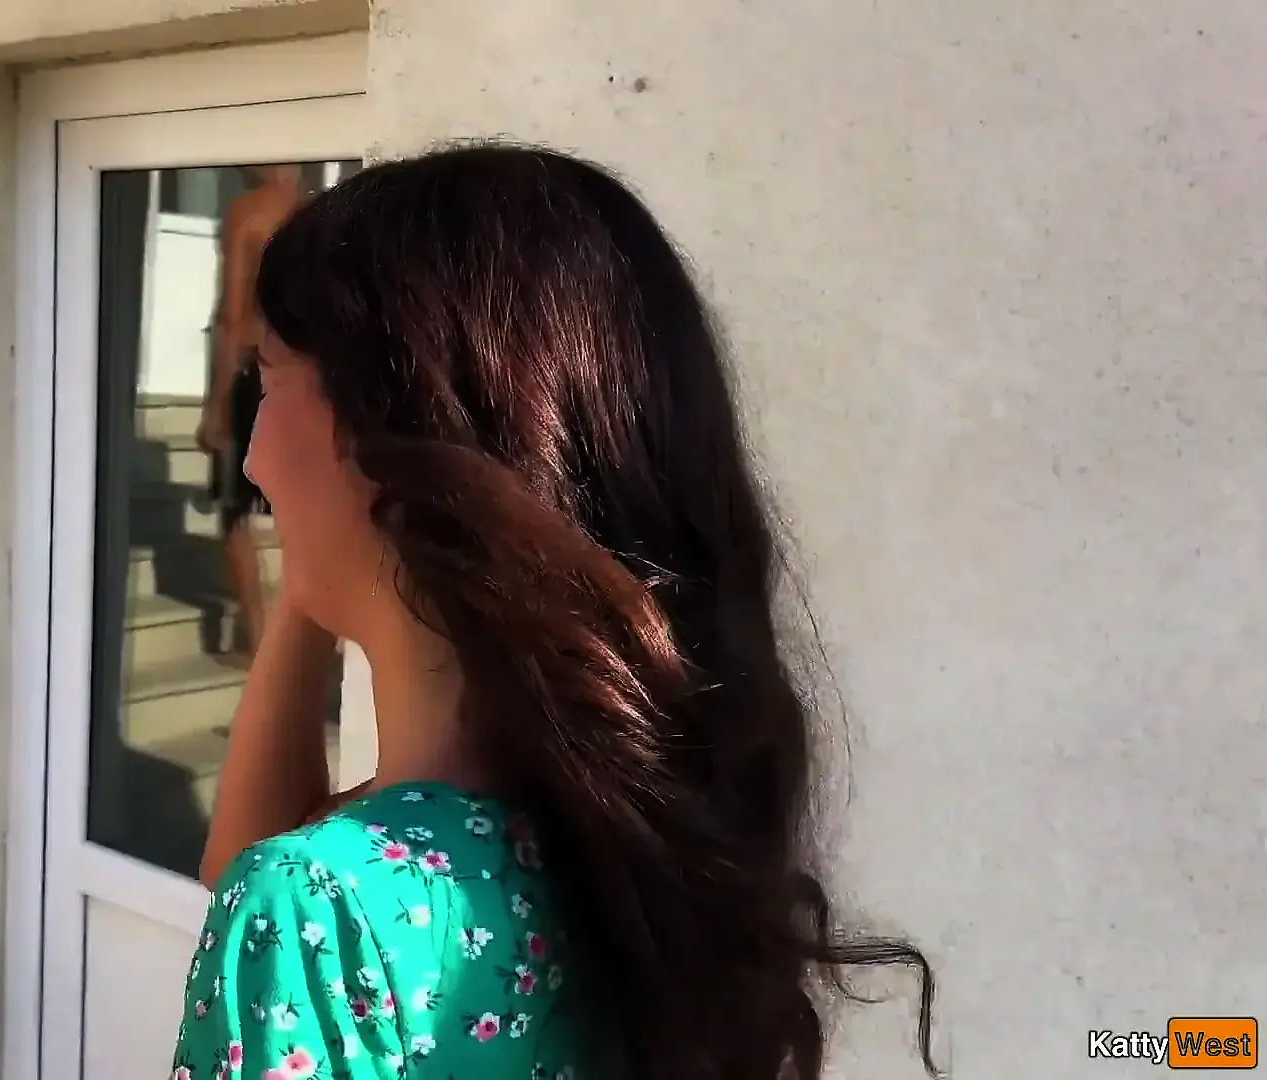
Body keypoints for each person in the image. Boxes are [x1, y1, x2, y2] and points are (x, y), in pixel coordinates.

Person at [169, 145, 940, 1080]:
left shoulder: (318, 913)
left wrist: (338, 530)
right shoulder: (619, 829)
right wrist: (338, 541)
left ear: (375, 433)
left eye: (267, 379)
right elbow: (247, 862)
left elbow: (261, 894)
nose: (252, 458)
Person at [198, 164, 307, 668]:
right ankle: (305, 645)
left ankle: (260, 643)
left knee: (234, 511)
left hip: (254, 373)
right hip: (308, 376)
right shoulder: (319, 212)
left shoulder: (248, 213)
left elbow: (233, 318)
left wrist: (216, 406)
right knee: (301, 510)